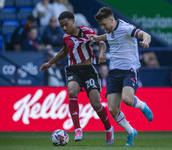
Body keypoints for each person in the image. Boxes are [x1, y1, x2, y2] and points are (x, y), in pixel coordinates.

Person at [39, 11, 114, 145]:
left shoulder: (87, 31)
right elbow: (63, 51)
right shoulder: (66, 38)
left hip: (89, 70)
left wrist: (102, 52)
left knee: (96, 104)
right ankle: (78, 128)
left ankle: (108, 128)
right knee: (72, 91)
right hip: (73, 70)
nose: (64, 28)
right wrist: (50, 63)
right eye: (62, 26)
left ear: (74, 21)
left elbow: (101, 42)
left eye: (66, 25)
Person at [89, 7, 153, 146]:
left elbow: (145, 34)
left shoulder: (126, 28)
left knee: (127, 100)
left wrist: (146, 41)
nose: (102, 27)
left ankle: (142, 105)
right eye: (101, 25)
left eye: (104, 24)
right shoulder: (110, 30)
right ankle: (131, 132)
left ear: (112, 20)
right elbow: (109, 36)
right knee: (112, 109)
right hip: (114, 72)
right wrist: (97, 38)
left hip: (129, 70)